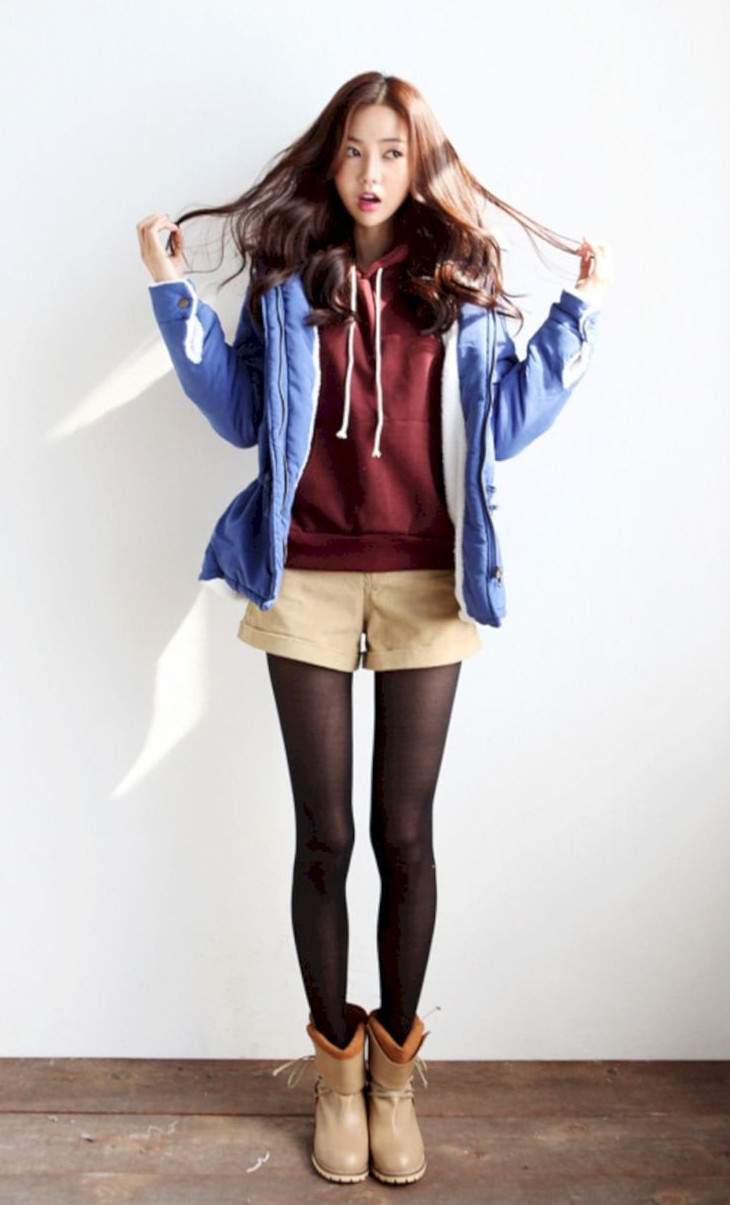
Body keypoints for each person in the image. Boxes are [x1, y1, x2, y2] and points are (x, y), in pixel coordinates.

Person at [137, 70, 612, 1187]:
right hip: (303, 574)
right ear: (331, 158)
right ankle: (334, 1076)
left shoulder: (460, 280)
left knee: (405, 834)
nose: (370, 173)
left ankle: (394, 1078)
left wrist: (580, 313)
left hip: (427, 582)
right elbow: (241, 413)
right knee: (324, 835)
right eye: (354, 150)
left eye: (392, 152)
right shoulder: (290, 278)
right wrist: (169, 290)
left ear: (419, 163)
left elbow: (505, 424)